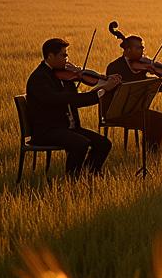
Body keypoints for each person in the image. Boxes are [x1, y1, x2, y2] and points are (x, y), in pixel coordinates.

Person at [24, 38, 121, 178]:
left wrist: (103, 82)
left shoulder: (64, 75)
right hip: (47, 130)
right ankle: (72, 179)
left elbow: (75, 100)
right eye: (63, 55)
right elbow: (65, 99)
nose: (67, 59)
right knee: (80, 143)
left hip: (68, 128)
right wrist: (102, 91)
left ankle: (90, 174)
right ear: (50, 56)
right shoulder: (39, 78)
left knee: (104, 143)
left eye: (67, 55)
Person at [101, 34, 162, 152]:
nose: (143, 51)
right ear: (128, 50)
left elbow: (147, 89)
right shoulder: (115, 66)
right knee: (150, 121)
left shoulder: (140, 66)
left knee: (161, 119)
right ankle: (148, 153)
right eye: (139, 48)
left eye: (143, 48)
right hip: (117, 111)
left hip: (134, 109)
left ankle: (152, 153)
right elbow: (124, 90)